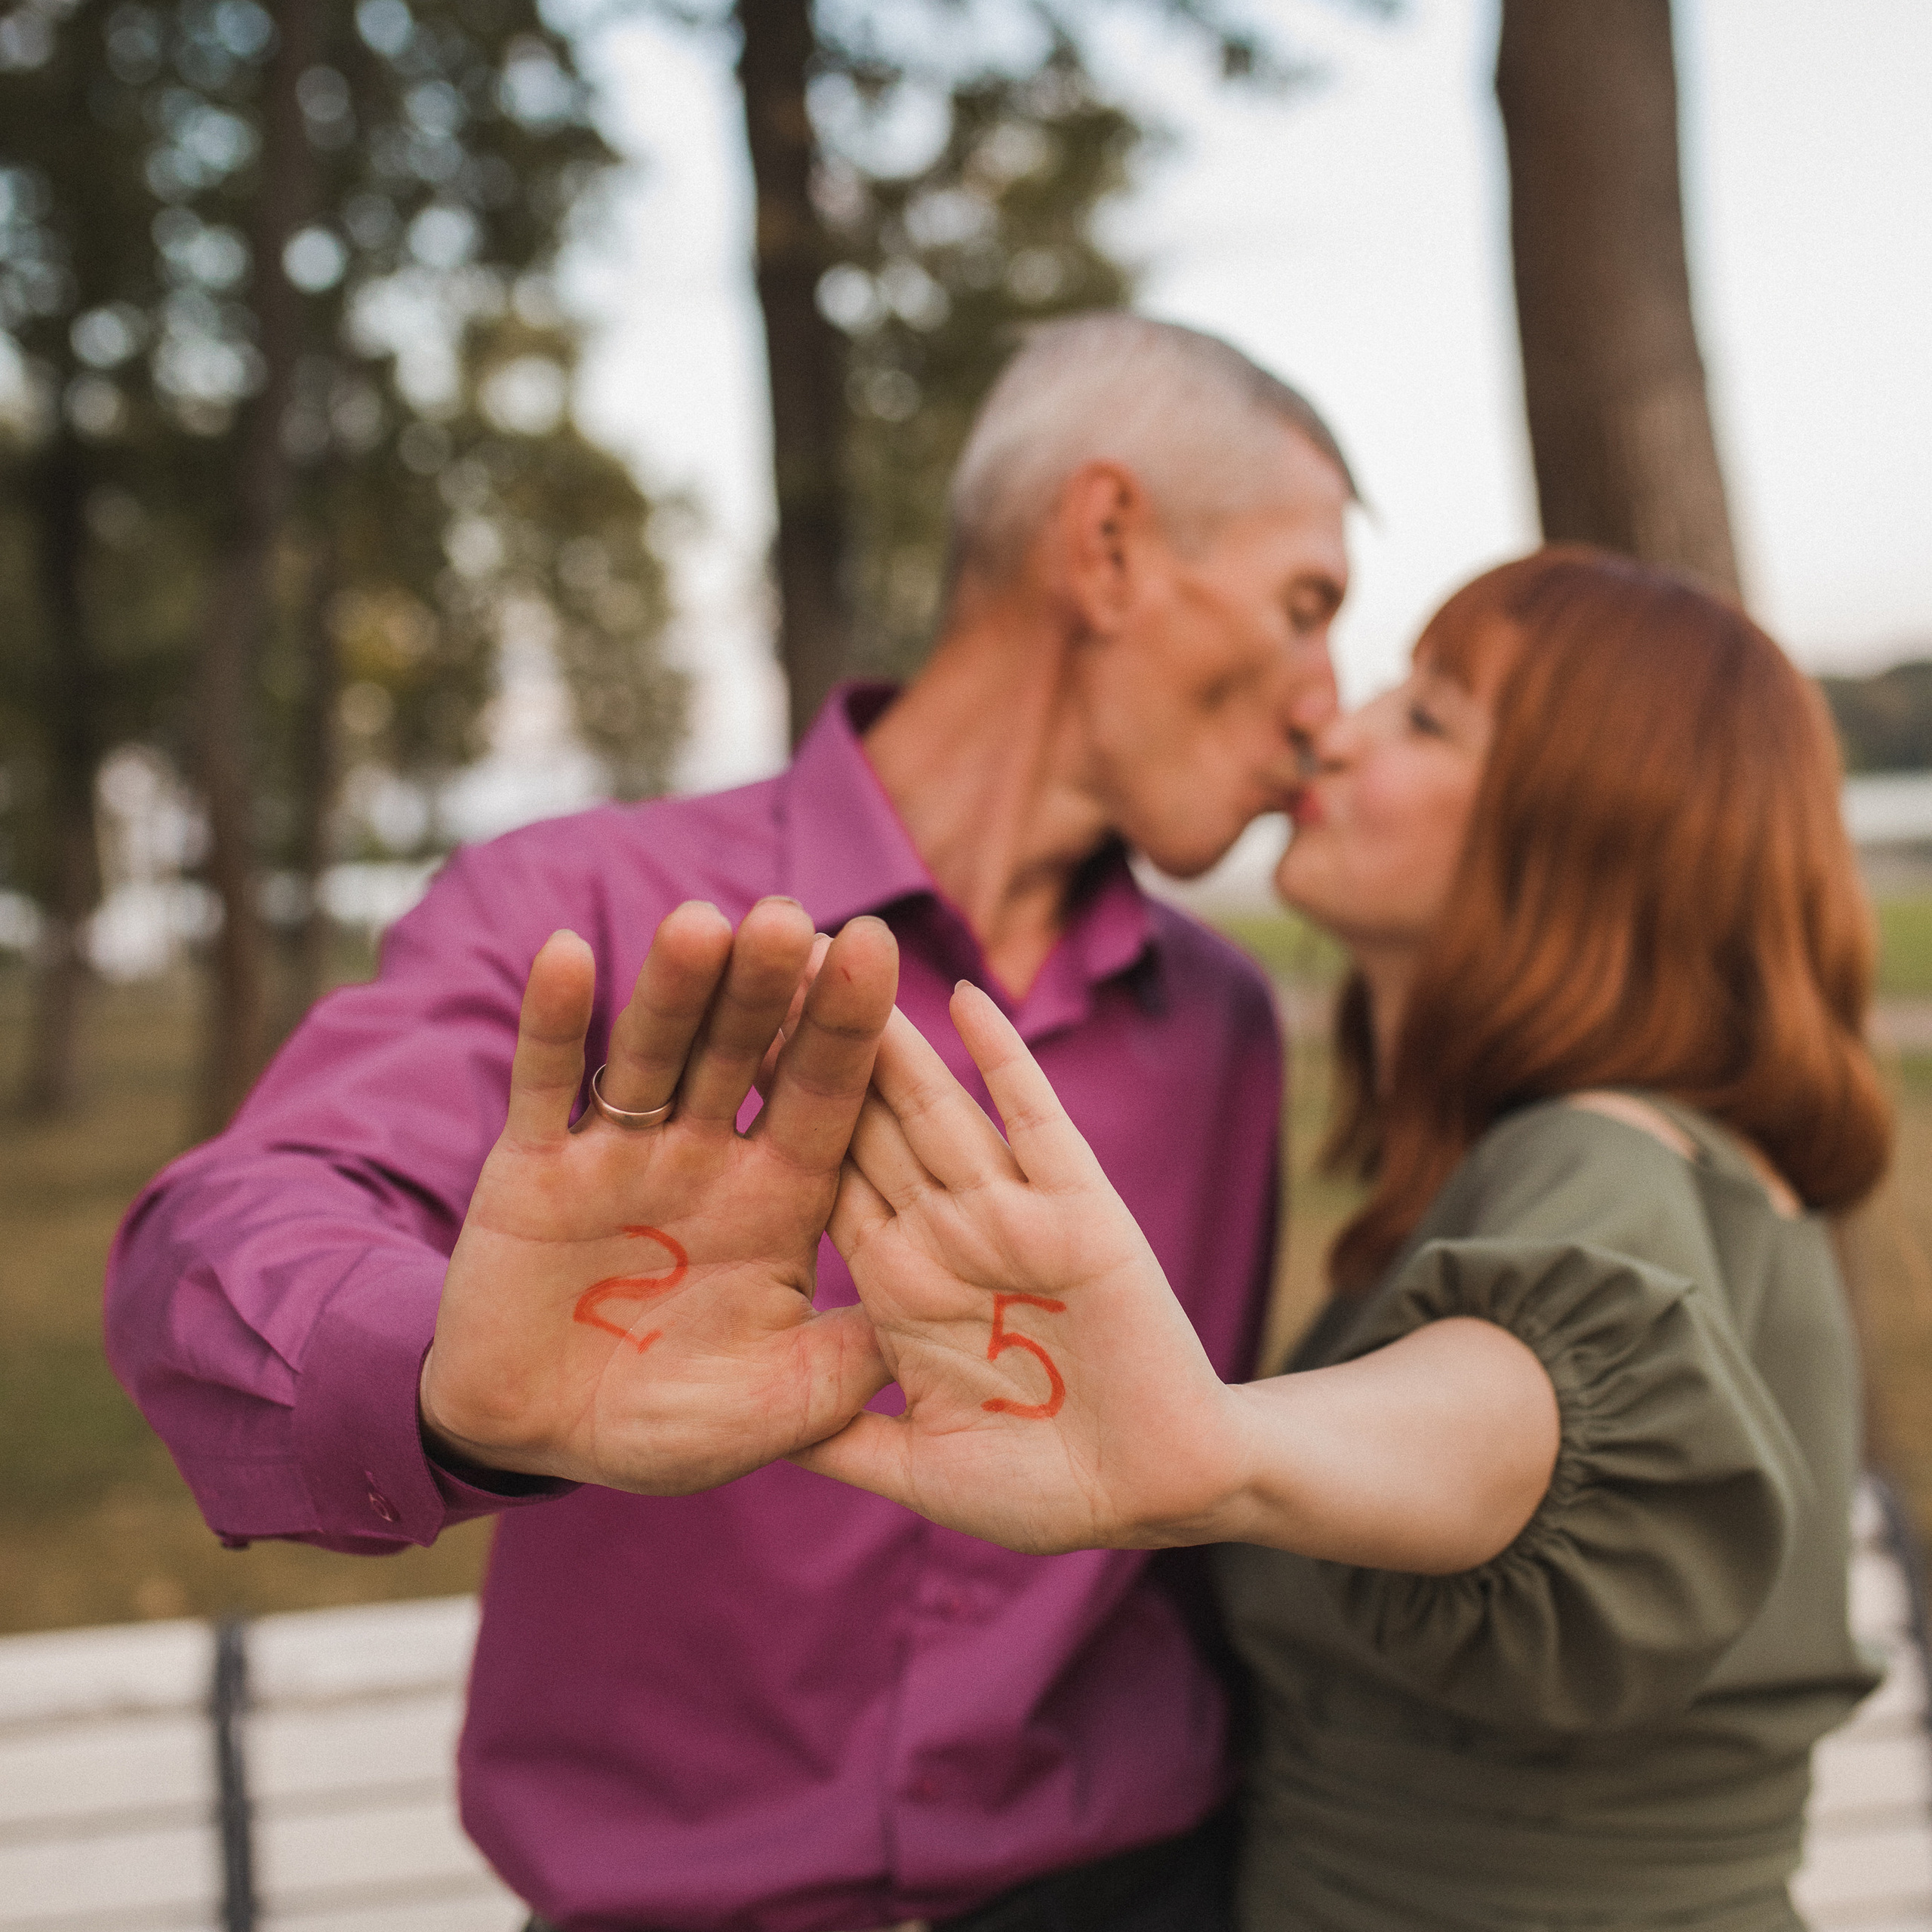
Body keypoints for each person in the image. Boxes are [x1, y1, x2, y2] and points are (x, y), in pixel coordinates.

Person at [104, 314, 1357, 1931]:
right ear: (1105, 544)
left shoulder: (1227, 1025)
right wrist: (453, 1383)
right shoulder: (583, 908)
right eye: (1304, 605)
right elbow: (220, 1234)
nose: (1327, 704)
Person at [801, 546, 1894, 1931]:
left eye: (1427, 717)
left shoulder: (1599, 1149)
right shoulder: (1607, 1156)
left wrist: (1221, 1447)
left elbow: (1547, 1404)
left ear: (1590, 830)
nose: (1336, 725)